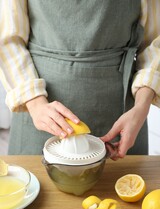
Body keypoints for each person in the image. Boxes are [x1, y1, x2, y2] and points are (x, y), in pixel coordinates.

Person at [0, 0, 160, 159]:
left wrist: (140, 108)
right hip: (39, 113)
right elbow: (8, 41)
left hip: (124, 119)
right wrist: (35, 104)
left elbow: (154, 42)